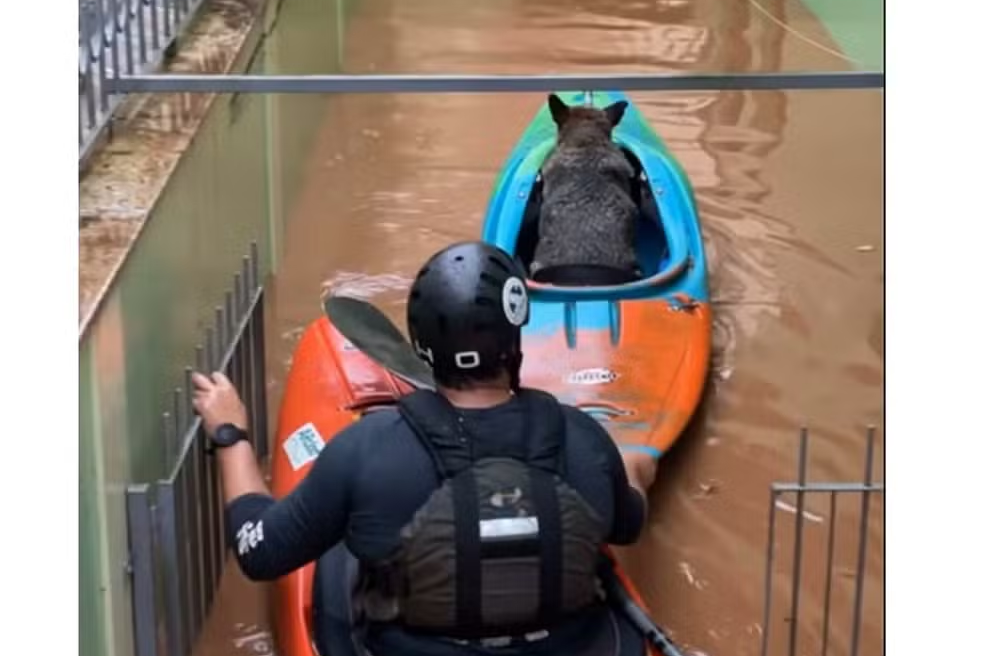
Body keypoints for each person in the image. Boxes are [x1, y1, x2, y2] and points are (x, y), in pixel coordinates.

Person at [192, 241, 658, 656]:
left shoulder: (364, 451)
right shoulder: (583, 440)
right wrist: (636, 468)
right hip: (571, 643)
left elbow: (259, 551)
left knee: (344, 538)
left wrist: (231, 435)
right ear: (515, 338)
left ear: (422, 344)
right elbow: (627, 525)